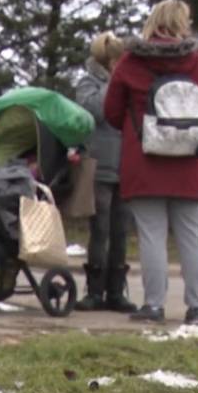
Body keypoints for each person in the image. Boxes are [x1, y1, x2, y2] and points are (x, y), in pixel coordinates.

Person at [104, 0, 198, 325]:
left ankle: (154, 305)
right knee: (192, 237)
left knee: (151, 237)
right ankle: (197, 307)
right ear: (182, 23)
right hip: (190, 163)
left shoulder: (130, 62)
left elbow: (112, 114)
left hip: (145, 163)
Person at [75, 31, 137, 312]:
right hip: (99, 166)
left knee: (121, 230)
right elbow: (94, 113)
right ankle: (94, 290)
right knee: (99, 230)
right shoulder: (88, 83)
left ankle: (116, 291)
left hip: (125, 165)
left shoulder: (128, 83)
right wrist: (111, 83)